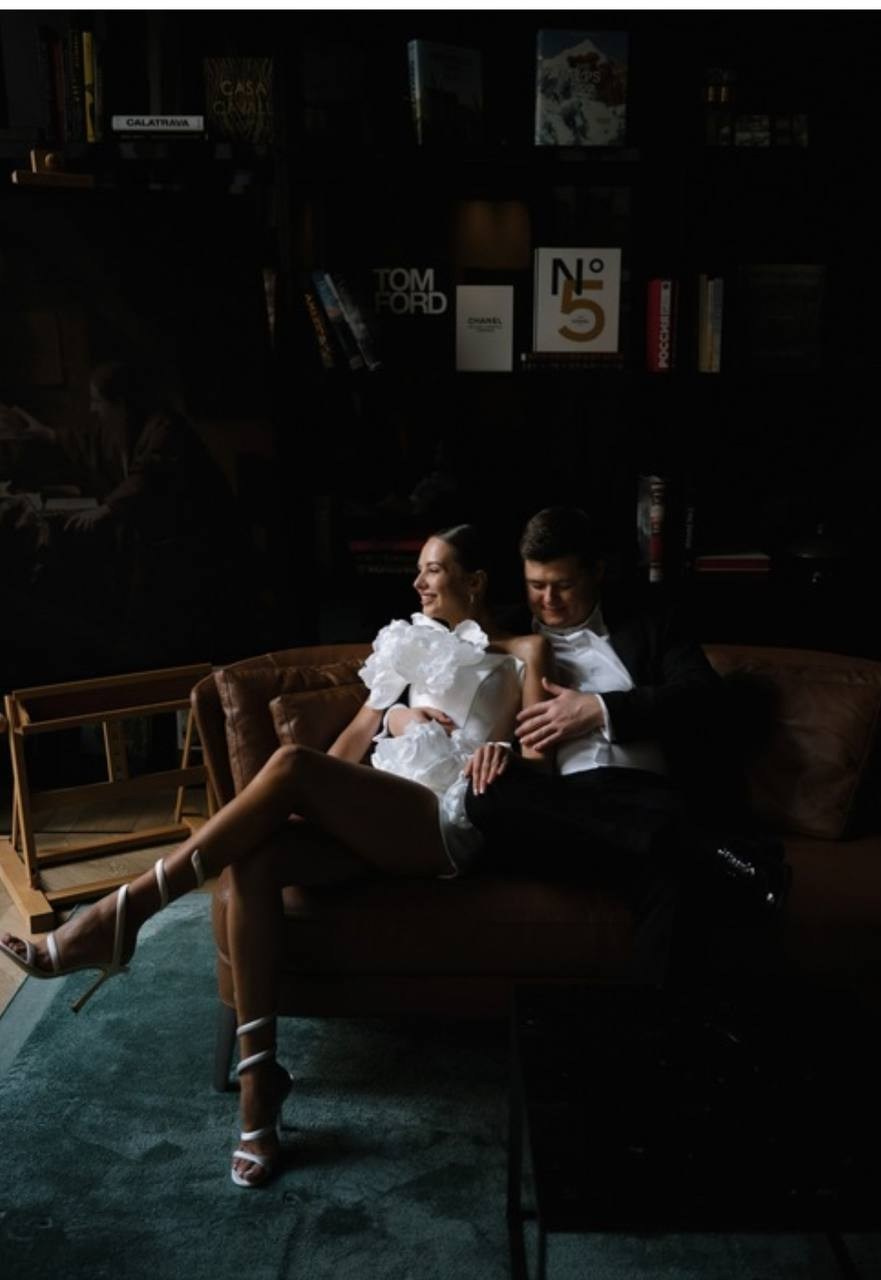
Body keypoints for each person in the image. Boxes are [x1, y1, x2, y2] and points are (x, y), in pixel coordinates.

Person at [0, 524, 551, 1189]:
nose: (418, 582)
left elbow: (539, 755)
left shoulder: (524, 651)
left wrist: (502, 751)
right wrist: (388, 723)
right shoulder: (406, 643)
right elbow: (348, 745)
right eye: (420, 569)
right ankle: (260, 1088)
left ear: (476, 581)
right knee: (255, 859)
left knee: (290, 763)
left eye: (433, 569)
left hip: (442, 820)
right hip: (378, 809)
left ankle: (117, 915)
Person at [464, 506, 791, 979]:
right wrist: (411, 719)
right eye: (536, 585)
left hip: (643, 798)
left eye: (564, 585)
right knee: (486, 792)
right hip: (555, 809)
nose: (548, 600)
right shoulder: (498, 635)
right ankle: (702, 849)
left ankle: (649, 1029)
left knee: (675, 887)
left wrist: (600, 710)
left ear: (597, 572)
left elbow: (704, 698)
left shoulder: (652, 625)